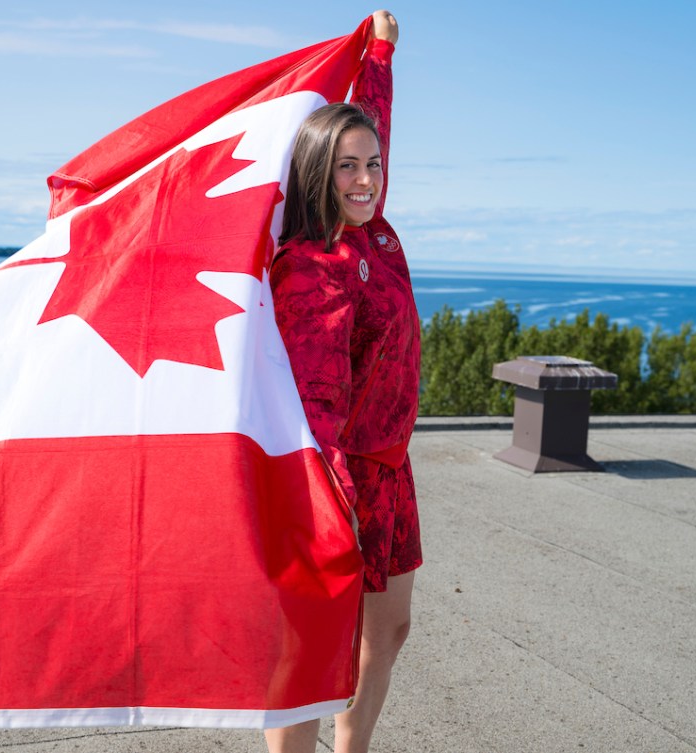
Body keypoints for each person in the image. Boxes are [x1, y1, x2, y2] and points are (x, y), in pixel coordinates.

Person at [266, 10, 421, 753]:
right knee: (309, 651)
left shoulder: (372, 230)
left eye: (373, 164)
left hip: (390, 469)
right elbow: (315, 398)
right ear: (316, 172)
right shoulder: (311, 266)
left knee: (387, 631)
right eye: (346, 166)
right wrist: (337, 503)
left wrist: (380, 57)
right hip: (338, 480)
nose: (364, 179)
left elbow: (372, 121)